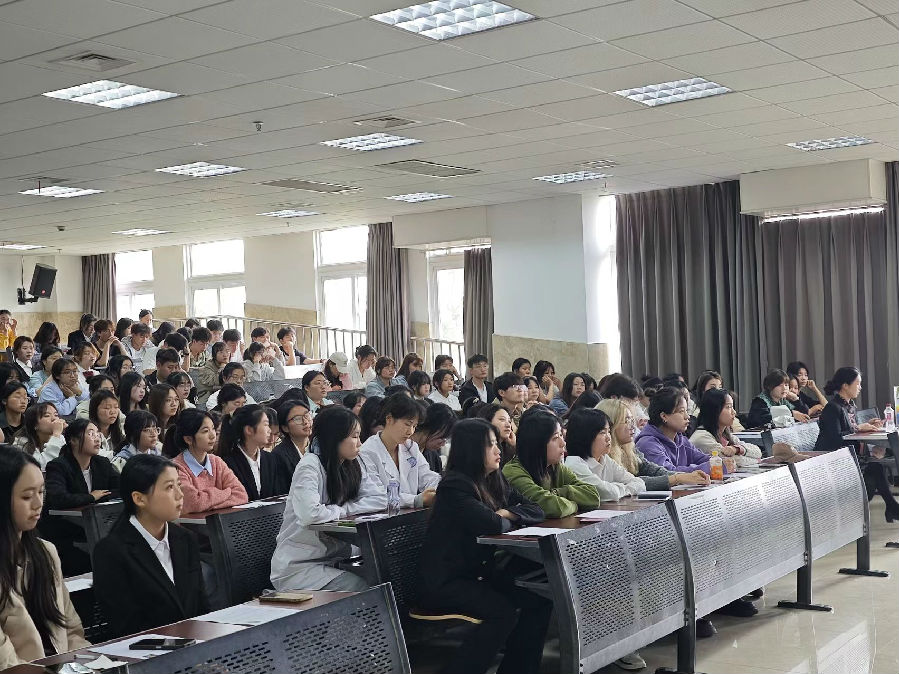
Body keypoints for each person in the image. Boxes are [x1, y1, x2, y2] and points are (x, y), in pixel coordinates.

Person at [417, 418, 550, 674]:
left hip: (477, 574)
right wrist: (507, 518)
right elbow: (492, 524)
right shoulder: (454, 486)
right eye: (491, 445)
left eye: (497, 443)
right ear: (472, 449)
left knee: (538, 599)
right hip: (446, 581)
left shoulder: (493, 479)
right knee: (502, 611)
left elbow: (536, 510)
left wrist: (508, 513)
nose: (498, 450)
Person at [270, 406, 387, 591]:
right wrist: (344, 510)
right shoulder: (309, 466)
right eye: (354, 436)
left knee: (383, 577)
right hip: (301, 566)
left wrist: (343, 510)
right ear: (335, 437)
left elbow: (379, 498)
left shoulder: (352, 463)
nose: (360, 443)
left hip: (336, 558)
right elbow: (310, 514)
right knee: (361, 587)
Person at [92, 454, 208, 637]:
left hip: (195, 645)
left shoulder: (186, 539)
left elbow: (201, 607)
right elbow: (126, 627)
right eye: (169, 487)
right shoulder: (111, 552)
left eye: (178, 485)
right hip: (148, 650)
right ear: (139, 499)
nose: (180, 494)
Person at [0, 447, 90, 668]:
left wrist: (86, 667)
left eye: (41, 492)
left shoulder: (45, 552)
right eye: (27, 496)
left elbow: (71, 630)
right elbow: (7, 663)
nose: (38, 503)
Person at [814, 367, 897, 521]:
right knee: (875, 471)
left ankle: (892, 507)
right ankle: (892, 508)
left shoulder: (849, 405)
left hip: (849, 457)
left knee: (877, 467)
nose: (860, 387)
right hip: (833, 460)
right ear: (845, 385)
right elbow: (835, 439)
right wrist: (858, 428)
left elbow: (849, 430)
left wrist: (866, 425)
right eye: (857, 383)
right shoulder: (832, 408)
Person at [43, 419, 120, 574]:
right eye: (91, 434)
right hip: (64, 533)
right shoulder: (58, 466)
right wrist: (91, 497)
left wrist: (98, 497)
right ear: (74, 440)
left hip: (96, 528)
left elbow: (121, 488)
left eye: (98, 434)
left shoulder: (101, 463)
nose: (97, 438)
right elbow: (59, 498)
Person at [502, 409, 598, 517]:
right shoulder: (513, 471)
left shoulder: (555, 467)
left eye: (561, 435)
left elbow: (593, 496)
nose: (563, 443)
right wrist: (575, 505)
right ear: (537, 443)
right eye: (555, 438)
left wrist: (561, 492)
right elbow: (554, 507)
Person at [597, 398, 710, 491]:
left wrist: (683, 476)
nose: (632, 427)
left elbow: (654, 470)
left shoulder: (630, 449)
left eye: (632, 421)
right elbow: (632, 482)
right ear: (610, 425)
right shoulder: (646, 443)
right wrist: (677, 478)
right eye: (626, 421)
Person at [359, 394, 440, 508]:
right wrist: (416, 500)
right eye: (407, 424)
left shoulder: (411, 447)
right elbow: (376, 496)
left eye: (414, 426)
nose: (410, 432)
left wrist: (439, 489)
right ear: (389, 419)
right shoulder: (367, 452)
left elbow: (427, 476)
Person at [163, 409, 248, 513]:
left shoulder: (217, 462)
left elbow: (241, 495)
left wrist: (206, 502)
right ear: (188, 439)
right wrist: (226, 492)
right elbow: (194, 503)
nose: (213, 435)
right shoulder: (176, 467)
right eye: (205, 431)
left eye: (213, 429)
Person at [636, 387, 736, 476]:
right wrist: (712, 467)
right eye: (681, 411)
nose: (687, 416)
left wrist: (719, 462)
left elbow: (701, 458)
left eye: (686, 411)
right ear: (664, 416)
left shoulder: (681, 440)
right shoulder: (647, 444)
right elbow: (668, 473)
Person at [564, 407, 646, 501]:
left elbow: (639, 483)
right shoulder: (574, 465)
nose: (608, 438)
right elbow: (606, 493)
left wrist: (616, 488)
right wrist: (623, 488)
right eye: (603, 433)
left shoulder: (605, 459)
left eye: (609, 432)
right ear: (586, 436)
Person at [217, 405, 291, 501]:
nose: (269, 430)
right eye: (265, 425)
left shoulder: (271, 459)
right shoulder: (227, 463)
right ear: (249, 430)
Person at [689, 388, 762, 469]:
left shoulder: (724, 434)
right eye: (728, 407)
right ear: (714, 410)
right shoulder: (702, 438)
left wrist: (737, 449)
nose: (734, 412)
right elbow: (734, 462)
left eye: (732, 407)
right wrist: (758, 460)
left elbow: (758, 451)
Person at [12, 404, 66, 470]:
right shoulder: (21, 442)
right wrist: (56, 435)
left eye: (56, 415)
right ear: (34, 424)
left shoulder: (60, 437)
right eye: (47, 416)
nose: (54, 419)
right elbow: (42, 466)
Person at [412, 402, 457, 473]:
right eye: (442, 438)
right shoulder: (401, 449)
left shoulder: (433, 456)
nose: (443, 444)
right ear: (430, 427)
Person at [273, 400, 313, 474]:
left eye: (307, 415)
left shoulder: (319, 446)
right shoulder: (278, 455)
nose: (306, 422)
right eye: (297, 419)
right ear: (285, 428)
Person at [88, 390, 124, 462]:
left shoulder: (121, 430)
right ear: (95, 410)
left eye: (116, 407)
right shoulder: (88, 433)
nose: (113, 412)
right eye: (107, 408)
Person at [196, 342, 231, 407]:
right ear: (214, 355)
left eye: (227, 351)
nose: (225, 355)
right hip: (206, 396)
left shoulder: (230, 366)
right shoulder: (208, 366)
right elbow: (215, 382)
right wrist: (222, 368)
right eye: (221, 352)